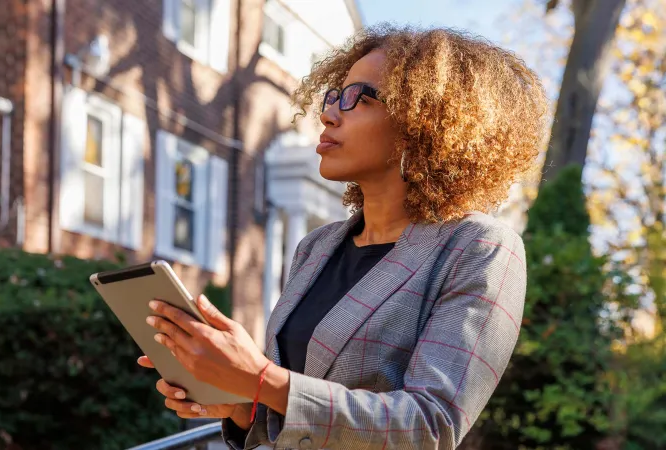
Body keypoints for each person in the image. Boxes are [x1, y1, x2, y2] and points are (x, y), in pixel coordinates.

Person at [139, 24, 547, 449]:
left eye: (360, 98)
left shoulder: (478, 248)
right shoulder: (317, 247)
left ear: (427, 122)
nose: (329, 113)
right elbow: (297, 413)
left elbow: (431, 426)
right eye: (335, 95)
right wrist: (240, 403)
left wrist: (260, 377)